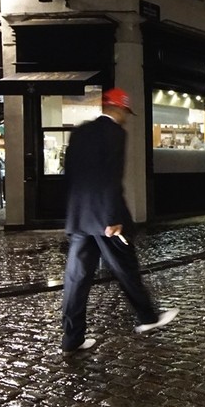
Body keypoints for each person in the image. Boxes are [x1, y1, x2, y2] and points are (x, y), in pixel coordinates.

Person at [61, 87, 178, 353]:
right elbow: (111, 177)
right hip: (106, 219)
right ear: (120, 109)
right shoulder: (115, 133)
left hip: (80, 217)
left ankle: (72, 337)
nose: (126, 116)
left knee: (76, 278)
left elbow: (69, 175)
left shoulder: (80, 132)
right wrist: (113, 217)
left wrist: (74, 212)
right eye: (126, 111)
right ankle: (148, 317)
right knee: (126, 268)